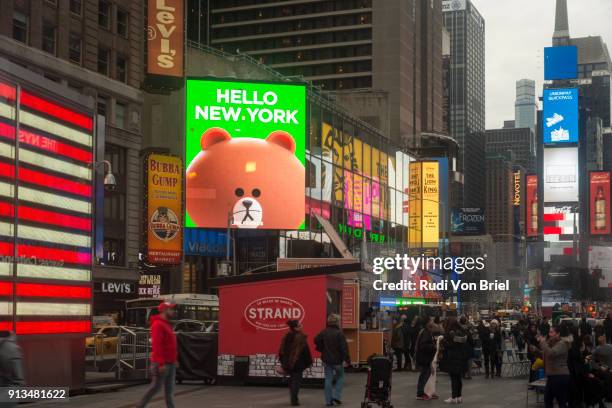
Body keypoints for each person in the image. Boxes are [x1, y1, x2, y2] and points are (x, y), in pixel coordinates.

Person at [137, 302, 178, 408]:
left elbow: (170, 344)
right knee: (155, 388)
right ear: (164, 310)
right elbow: (157, 345)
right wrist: (161, 364)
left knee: (169, 390)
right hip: (162, 364)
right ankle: (140, 406)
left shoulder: (166, 324)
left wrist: (174, 359)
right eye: (171, 309)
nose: (173, 311)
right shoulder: (158, 325)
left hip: (170, 363)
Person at [315, 314, 350, 407]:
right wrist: (347, 359)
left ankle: (328, 401)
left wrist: (321, 348)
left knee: (328, 379)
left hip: (326, 360)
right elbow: (344, 348)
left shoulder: (324, 332)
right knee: (340, 377)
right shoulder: (339, 333)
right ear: (337, 322)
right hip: (338, 361)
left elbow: (316, 340)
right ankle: (337, 397)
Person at [279, 320, 313, 406]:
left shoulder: (286, 336)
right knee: (296, 381)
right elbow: (305, 351)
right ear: (295, 327)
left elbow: (281, 350)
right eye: (299, 325)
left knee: (292, 380)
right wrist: (309, 362)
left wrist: (282, 361)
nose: (301, 326)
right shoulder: (300, 337)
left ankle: (293, 397)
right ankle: (294, 399)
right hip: (298, 362)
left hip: (287, 362)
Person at [538, 324, 572, 408]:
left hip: (559, 376)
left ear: (558, 334)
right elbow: (547, 353)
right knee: (548, 400)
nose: (549, 334)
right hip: (552, 375)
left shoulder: (562, 344)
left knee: (561, 401)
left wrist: (543, 343)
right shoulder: (553, 343)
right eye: (549, 332)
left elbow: (551, 354)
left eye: (551, 332)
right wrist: (536, 350)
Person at [439, 318, 470, 404]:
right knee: (458, 378)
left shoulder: (451, 333)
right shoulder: (462, 332)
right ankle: (459, 396)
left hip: (453, 358)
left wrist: (444, 342)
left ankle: (453, 397)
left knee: (454, 379)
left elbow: (451, 345)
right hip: (461, 358)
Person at [415, 319, 437, 400]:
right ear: (427, 323)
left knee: (425, 375)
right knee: (424, 375)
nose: (432, 322)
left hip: (425, 357)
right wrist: (433, 346)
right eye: (431, 321)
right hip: (425, 358)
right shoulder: (426, 333)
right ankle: (420, 393)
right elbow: (423, 346)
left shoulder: (427, 332)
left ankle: (423, 392)